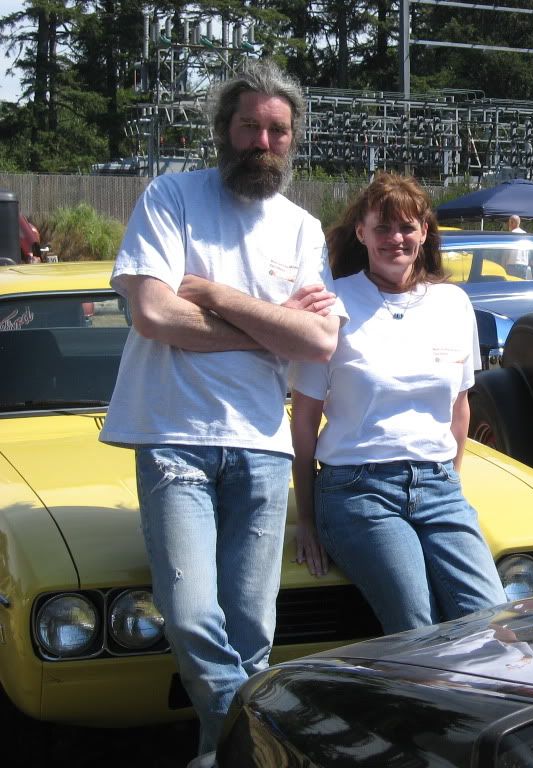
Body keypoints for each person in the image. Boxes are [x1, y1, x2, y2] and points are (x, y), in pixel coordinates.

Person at [98, 60, 342, 763]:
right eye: (249, 127)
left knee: (251, 627)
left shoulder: (300, 227)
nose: (262, 143)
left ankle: (224, 754)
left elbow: (320, 338)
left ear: (292, 140)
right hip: (174, 436)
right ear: (223, 132)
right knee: (192, 614)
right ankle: (268, 742)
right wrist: (270, 326)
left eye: (277, 131)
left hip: (263, 445)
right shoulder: (171, 197)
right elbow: (151, 313)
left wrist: (215, 296)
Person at [289, 171, 507, 635]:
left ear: (425, 232)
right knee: (417, 625)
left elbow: (459, 408)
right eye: (383, 228)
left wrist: (450, 481)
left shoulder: (453, 303)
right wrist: (307, 518)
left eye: (407, 227)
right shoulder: (333, 304)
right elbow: (304, 420)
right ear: (362, 233)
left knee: (493, 621)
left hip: (438, 487)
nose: (396, 239)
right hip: (357, 489)